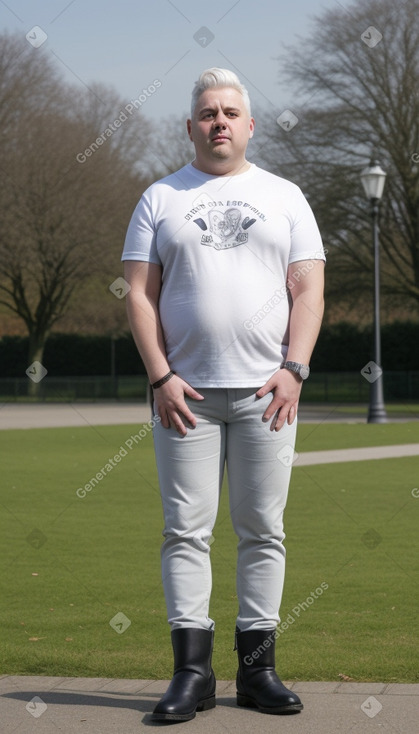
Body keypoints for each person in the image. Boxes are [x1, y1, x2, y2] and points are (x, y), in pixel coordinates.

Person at [122, 67, 325, 722]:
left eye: (230, 113)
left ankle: (257, 672)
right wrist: (159, 376)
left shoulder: (286, 196)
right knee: (185, 529)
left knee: (263, 528)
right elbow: (137, 293)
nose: (218, 122)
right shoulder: (159, 197)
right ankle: (192, 675)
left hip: (269, 395)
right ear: (190, 126)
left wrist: (294, 367)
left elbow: (308, 290)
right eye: (207, 113)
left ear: (248, 125)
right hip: (185, 396)